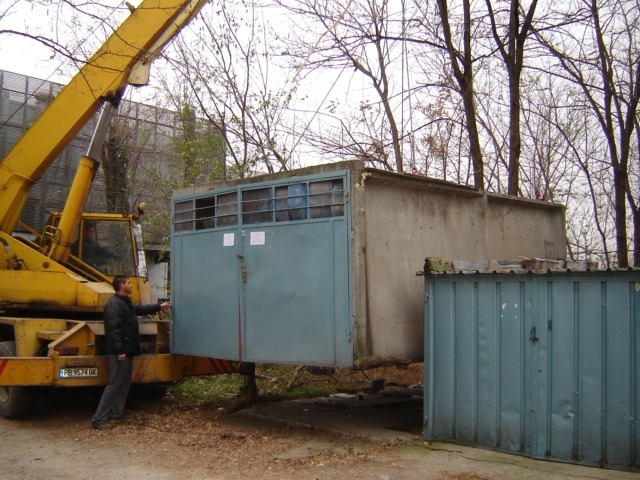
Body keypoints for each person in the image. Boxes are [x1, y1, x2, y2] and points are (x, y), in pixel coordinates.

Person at [91, 275, 171, 430]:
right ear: (122, 285)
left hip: (127, 350)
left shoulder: (124, 303)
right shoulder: (115, 305)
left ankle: (116, 413)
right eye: (128, 283)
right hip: (120, 352)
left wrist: (160, 306)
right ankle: (98, 419)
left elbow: (139, 309)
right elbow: (113, 330)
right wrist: (120, 350)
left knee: (124, 382)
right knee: (115, 384)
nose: (131, 285)